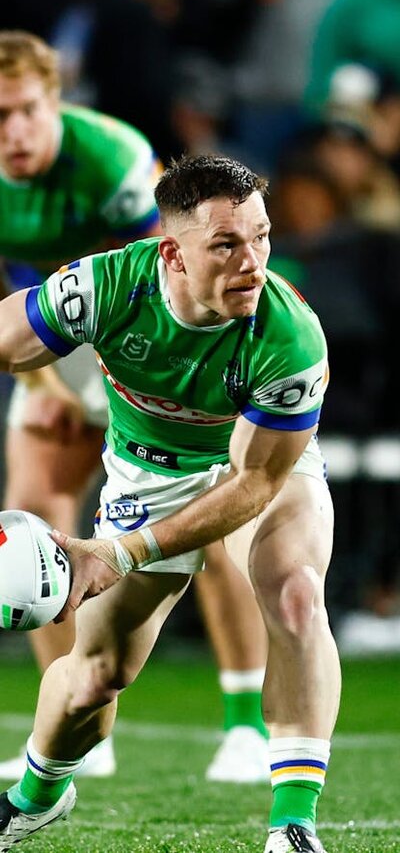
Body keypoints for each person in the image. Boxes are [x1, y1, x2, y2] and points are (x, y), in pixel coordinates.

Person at [0, 153, 339, 853]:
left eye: (262, 236)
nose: (253, 261)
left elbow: (254, 486)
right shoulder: (107, 288)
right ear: (173, 254)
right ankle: (35, 797)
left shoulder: (290, 336)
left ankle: (294, 825)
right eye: (226, 244)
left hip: (251, 461)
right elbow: (8, 341)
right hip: (145, 477)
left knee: (297, 594)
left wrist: (121, 552)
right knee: (96, 676)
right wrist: (41, 387)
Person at [0, 29, 269, 784]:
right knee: (29, 511)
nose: (11, 132)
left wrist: (107, 390)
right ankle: (80, 721)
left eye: (23, 110)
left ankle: (245, 722)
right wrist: (43, 387)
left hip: (155, 337)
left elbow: (168, 280)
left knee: (209, 518)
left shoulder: (115, 161)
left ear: (55, 101)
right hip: (56, 333)